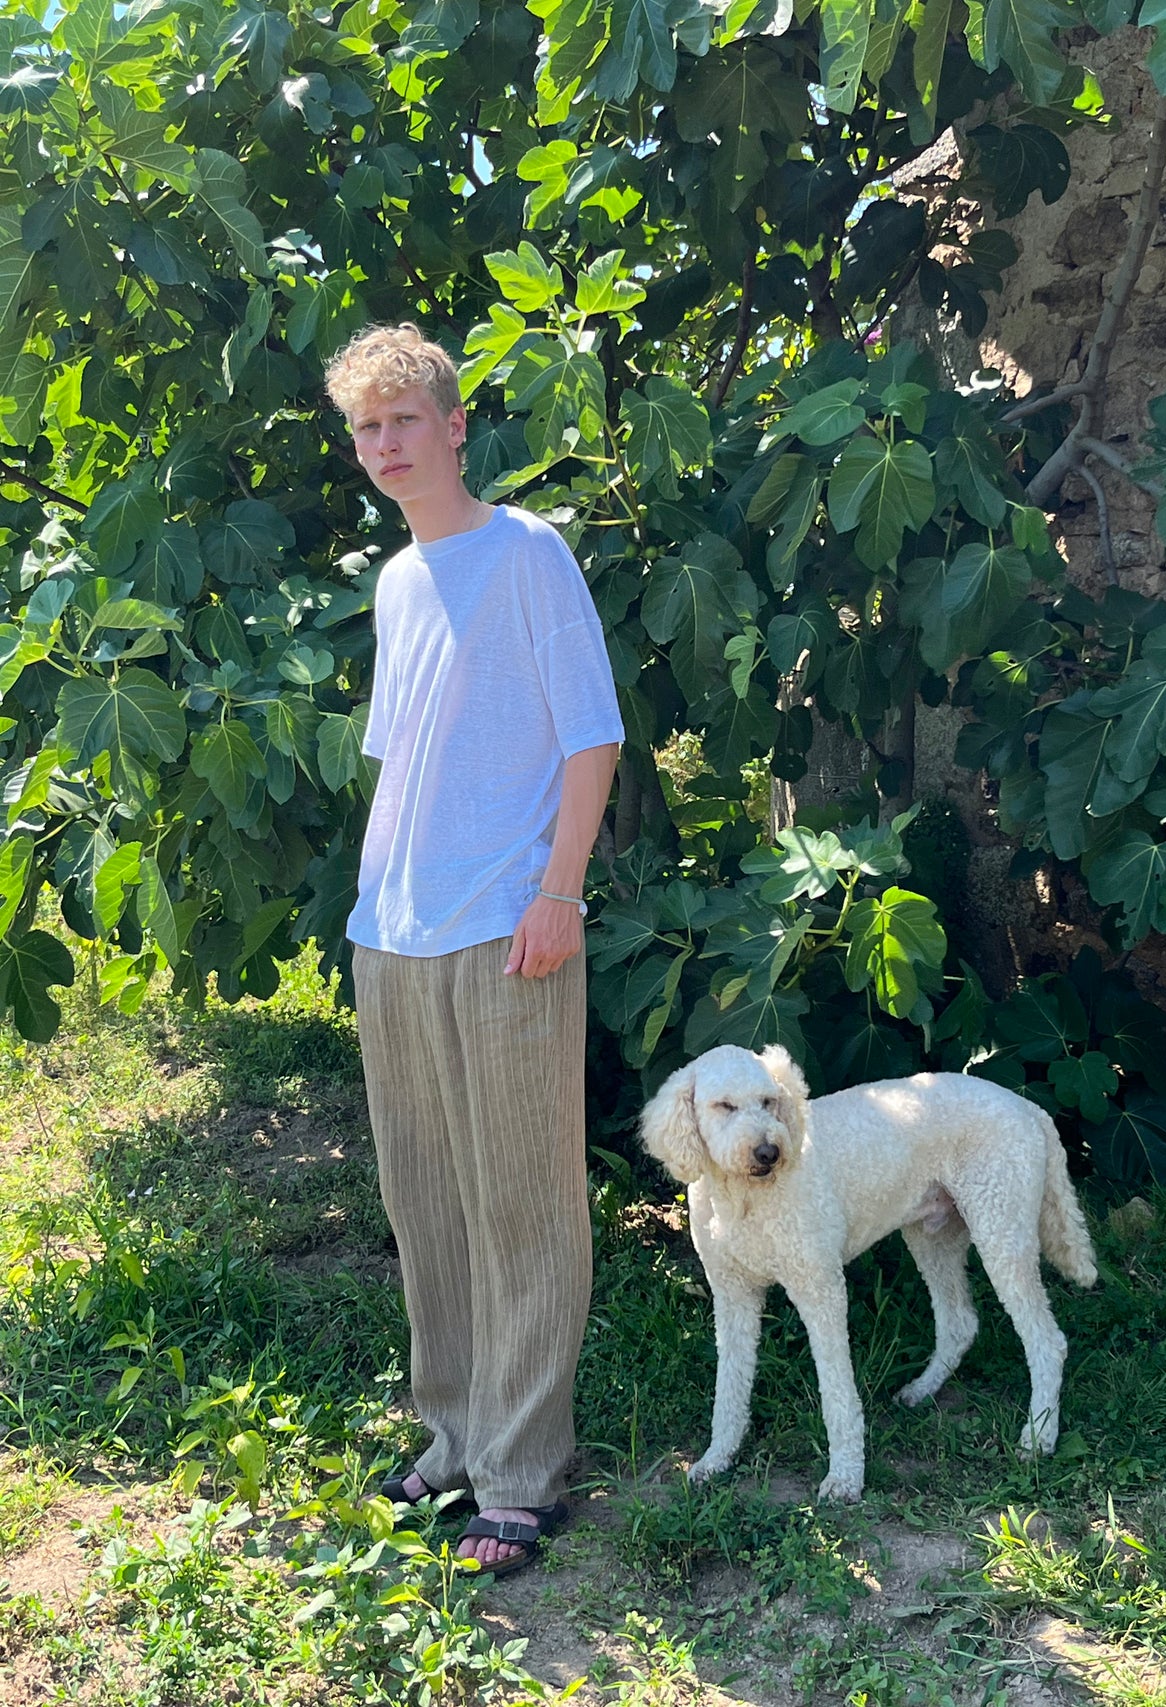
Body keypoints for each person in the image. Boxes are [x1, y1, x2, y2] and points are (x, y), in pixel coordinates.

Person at [323, 324, 623, 1577]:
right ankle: (447, 1436)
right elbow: (402, 761)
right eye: (364, 429)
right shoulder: (396, 581)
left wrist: (559, 892)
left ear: (453, 426)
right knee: (425, 1201)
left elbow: (590, 736)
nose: (385, 446)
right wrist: (369, 900)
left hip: (509, 919)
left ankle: (521, 1468)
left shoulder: (527, 555)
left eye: (403, 421)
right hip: (392, 929)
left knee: (521, 1199)